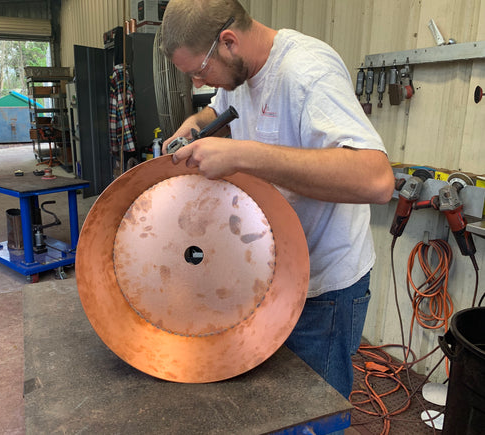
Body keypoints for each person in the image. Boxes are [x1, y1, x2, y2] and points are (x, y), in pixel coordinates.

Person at [159, 0, 395, 400]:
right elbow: (218, 114)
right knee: (272, 405)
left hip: (323, 291)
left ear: (228, 41)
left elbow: (376, 180)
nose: (200, 83)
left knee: (313, 411)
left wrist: (243, 154)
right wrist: (194, 125)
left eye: (199, 71)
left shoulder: (307, 70)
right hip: (272, 275)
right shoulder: (239, 74)